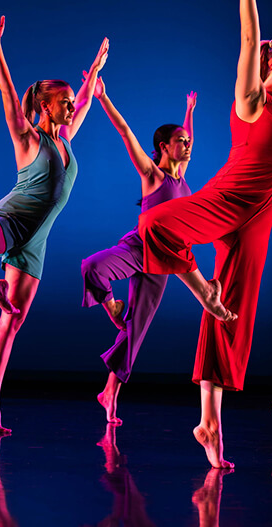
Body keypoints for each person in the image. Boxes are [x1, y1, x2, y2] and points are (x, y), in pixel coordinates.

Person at [136, 0, 272, 468]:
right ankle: (200, 286)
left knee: (233, 319)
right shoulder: (253, 101)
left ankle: (209, 423)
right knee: (156, 226)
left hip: (258, 225)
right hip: (225, 200)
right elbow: (251, 39)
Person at [0, 5, 101, 434]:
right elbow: (6, 91)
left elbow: (85, 101)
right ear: (45, 106)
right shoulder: (28, 137)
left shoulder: (66, 140)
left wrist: (93, 72)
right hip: (10, 221)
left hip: (36, 242)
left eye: (71, 102)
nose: (71, 107)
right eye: (63, 103)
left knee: (11, 324)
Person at [81, 85, 198, 424]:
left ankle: (109, 394)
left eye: (187, 141)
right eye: (180, 141)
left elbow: (189, 137)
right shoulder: (153, 175)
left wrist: (189, 112)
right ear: (163, 147)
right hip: (138, 247)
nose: (187, 145)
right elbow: (125, 131)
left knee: (136, 330)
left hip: (162, 261)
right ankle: (111, 307)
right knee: (93, 266)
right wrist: (103, 98)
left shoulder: (182, 178)